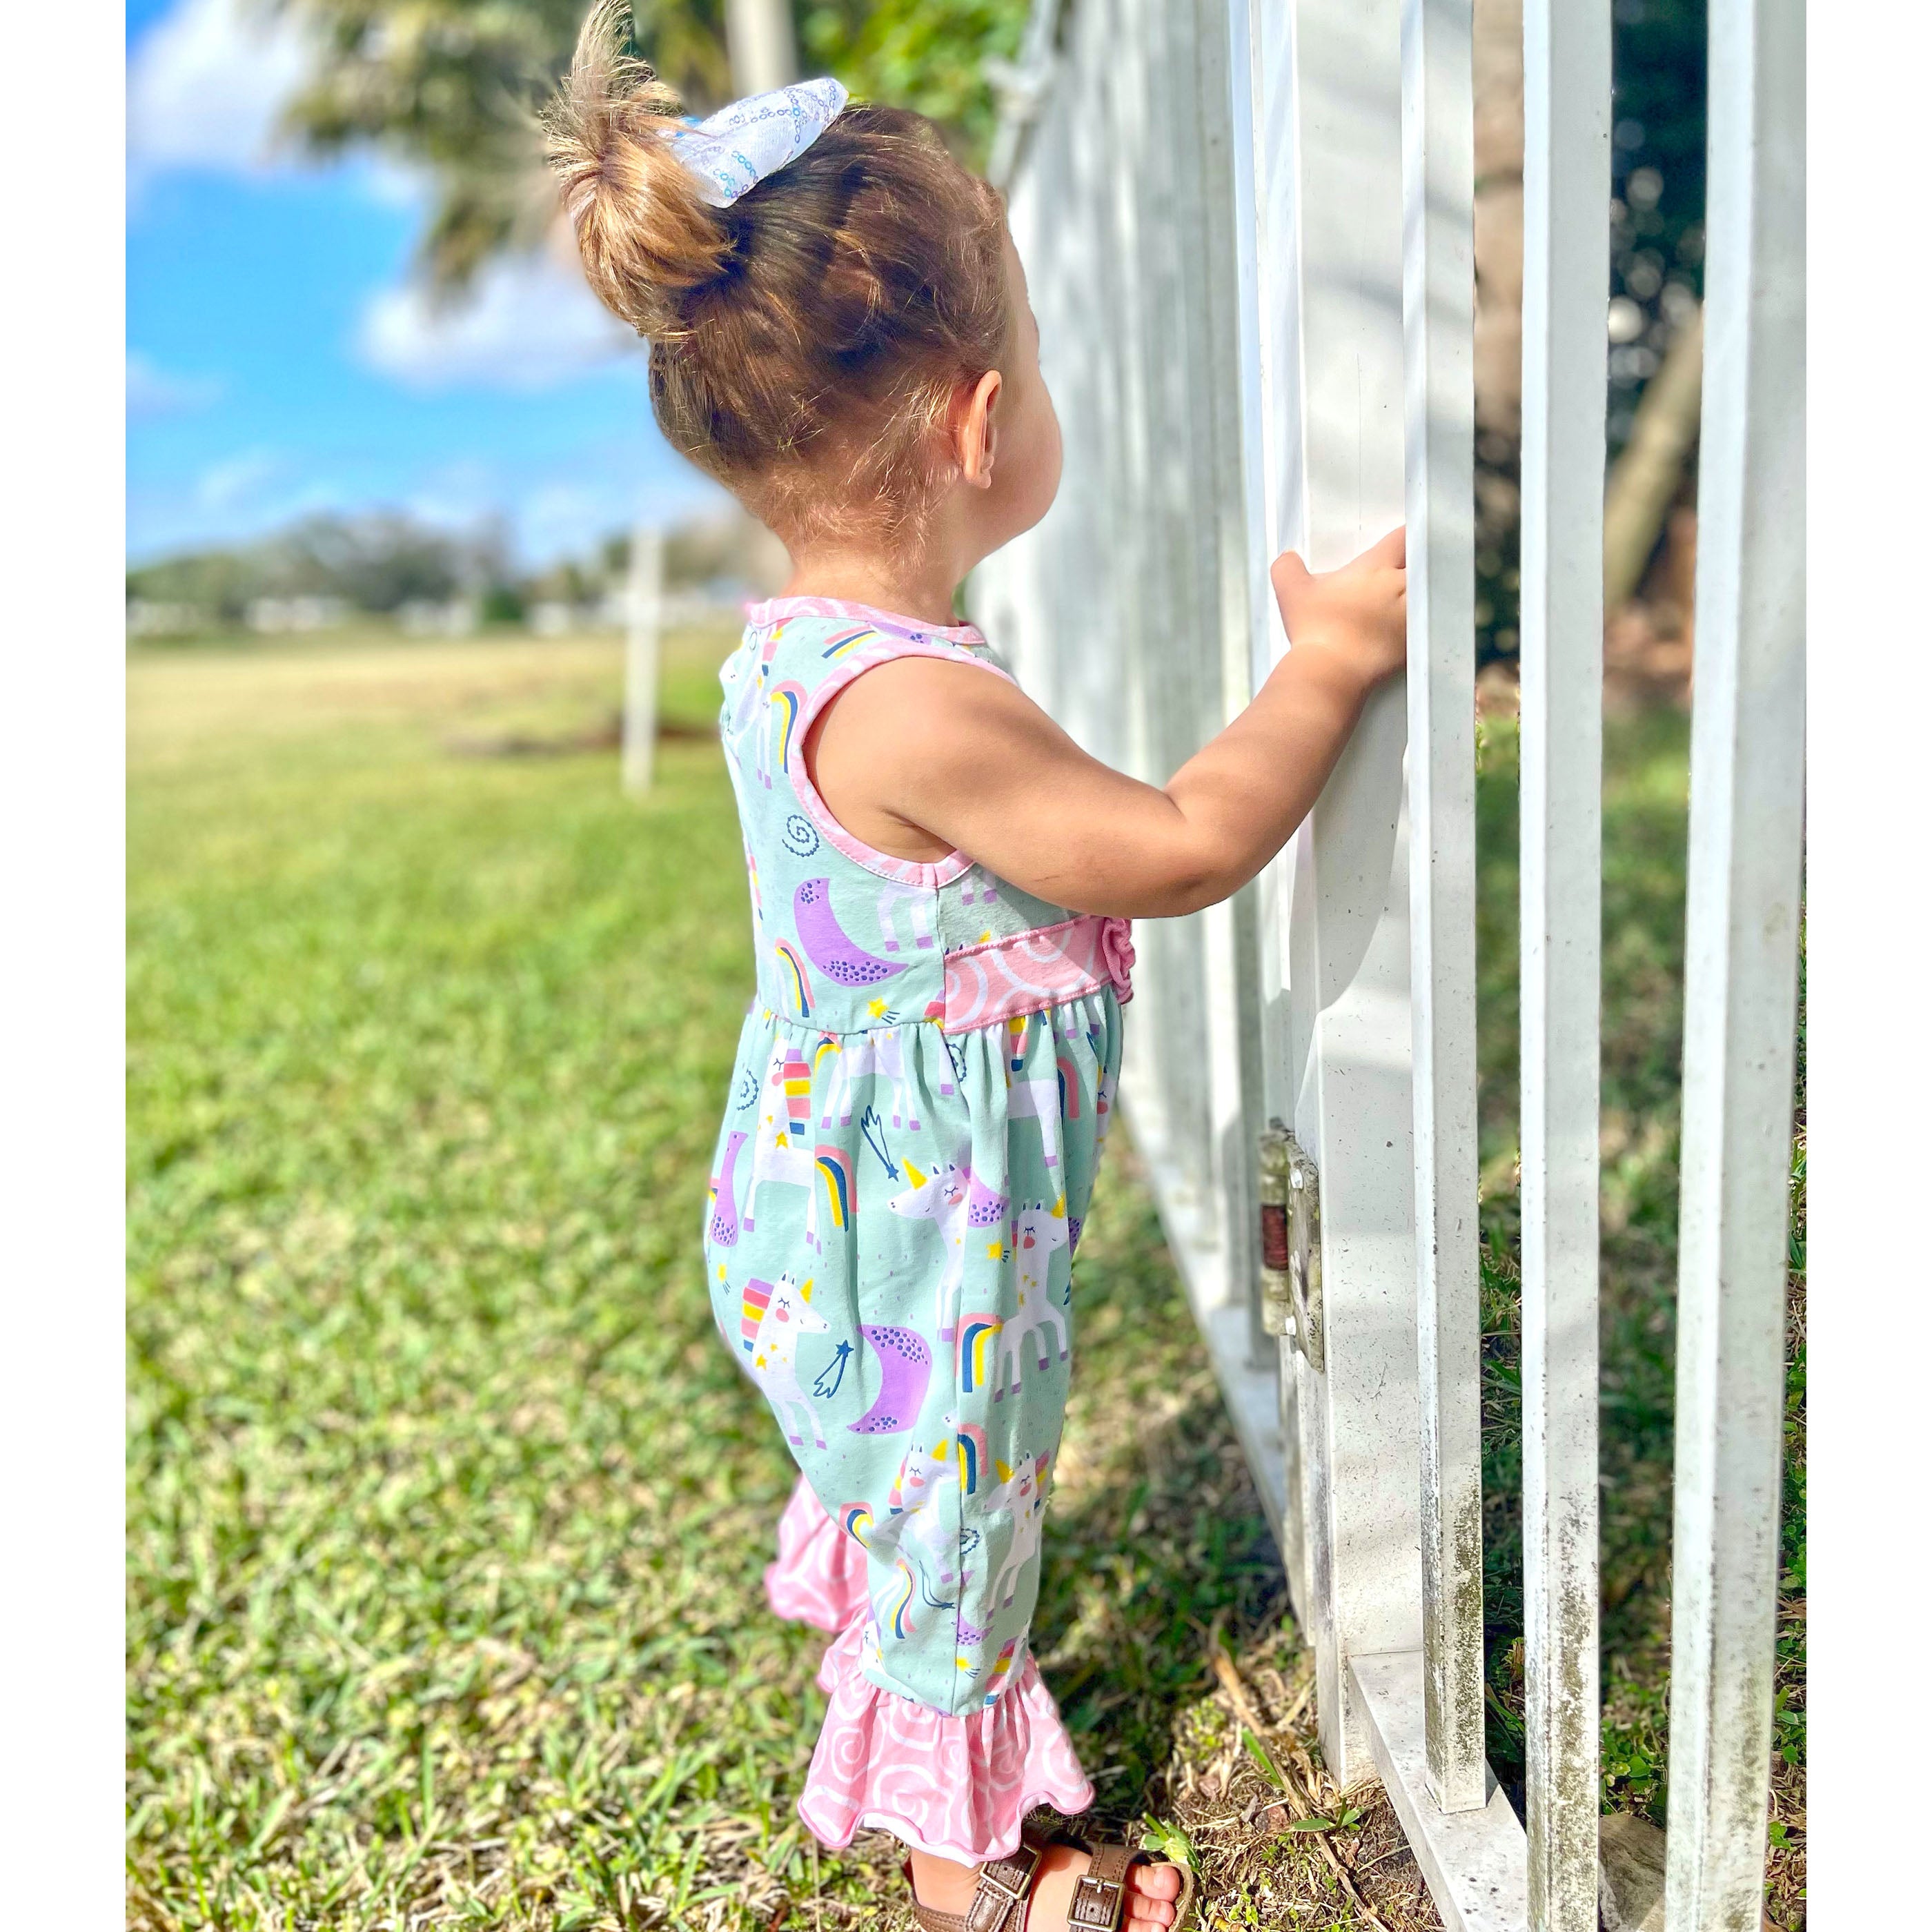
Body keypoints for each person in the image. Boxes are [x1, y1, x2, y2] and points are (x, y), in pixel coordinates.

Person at [546, 9, 1406, 1926]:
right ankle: (978, 1884)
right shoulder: (918, 705)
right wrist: (1329, 667)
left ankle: (951, 1767)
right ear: (980, 418)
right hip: (914, 1243)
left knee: (926, 1498)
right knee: (961, 1534)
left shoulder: (798, 646)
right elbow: (1179, 843)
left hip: (843, 1189)